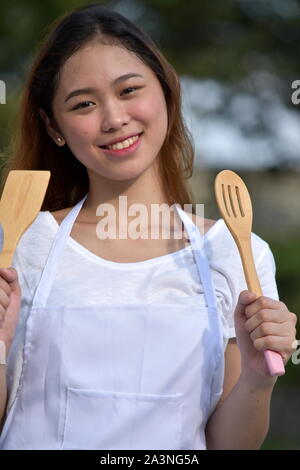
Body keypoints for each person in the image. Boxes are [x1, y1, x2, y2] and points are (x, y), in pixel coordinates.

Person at [0, 3, 297, 450]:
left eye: (129, 90)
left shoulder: (235, 252)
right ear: (53, 126)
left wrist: (258, 380)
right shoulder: (19, 243)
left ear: (166, 91)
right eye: (84, 103)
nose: (114, 118)